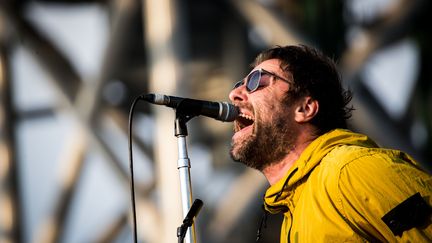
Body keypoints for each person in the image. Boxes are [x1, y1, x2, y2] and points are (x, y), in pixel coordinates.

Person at [229, 44, 432, 242]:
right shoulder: (294, 213)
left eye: (256, 81)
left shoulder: (353, 171)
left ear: (305, 108)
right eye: (239, 84)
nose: (234, 94)